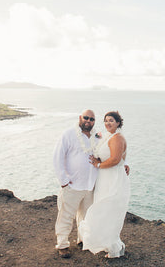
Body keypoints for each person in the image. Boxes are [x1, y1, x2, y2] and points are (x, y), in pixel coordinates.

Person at [79, 111, 130, 258]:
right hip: (104, 179)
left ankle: (114, 247)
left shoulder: (117, 138)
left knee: (109, 210)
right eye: (106, 120)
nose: (108, 123)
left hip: (113, 179)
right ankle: (111, 245)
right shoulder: (105, 136)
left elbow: (115, 159)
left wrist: (98, 165)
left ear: (118, 123)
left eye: (111, 121)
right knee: (104, 210)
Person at [53, 109, 100, 258]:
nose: (88, 121)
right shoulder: (68, 134)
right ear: (80, 118)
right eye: (86, 118)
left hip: (89, 185)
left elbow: (109, 151)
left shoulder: (97, 137)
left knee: (86, 216)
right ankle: (62, 244)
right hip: (72, 185)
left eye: (92, 119)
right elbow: (57, 158)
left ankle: (82, 240)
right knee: (66, 215)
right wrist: (64, 182)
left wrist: (124, 163)